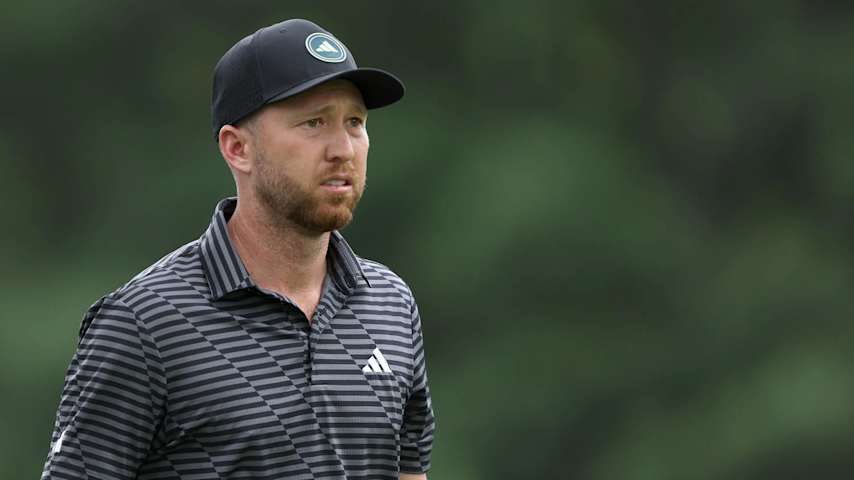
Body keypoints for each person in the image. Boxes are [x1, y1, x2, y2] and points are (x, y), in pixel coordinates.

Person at [41, 18, 435, 480]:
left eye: (355, 122)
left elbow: (410, 471)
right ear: (237, 149)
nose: (343, 148)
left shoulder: (391, 304)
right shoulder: (144, 324)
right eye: (314, 123)